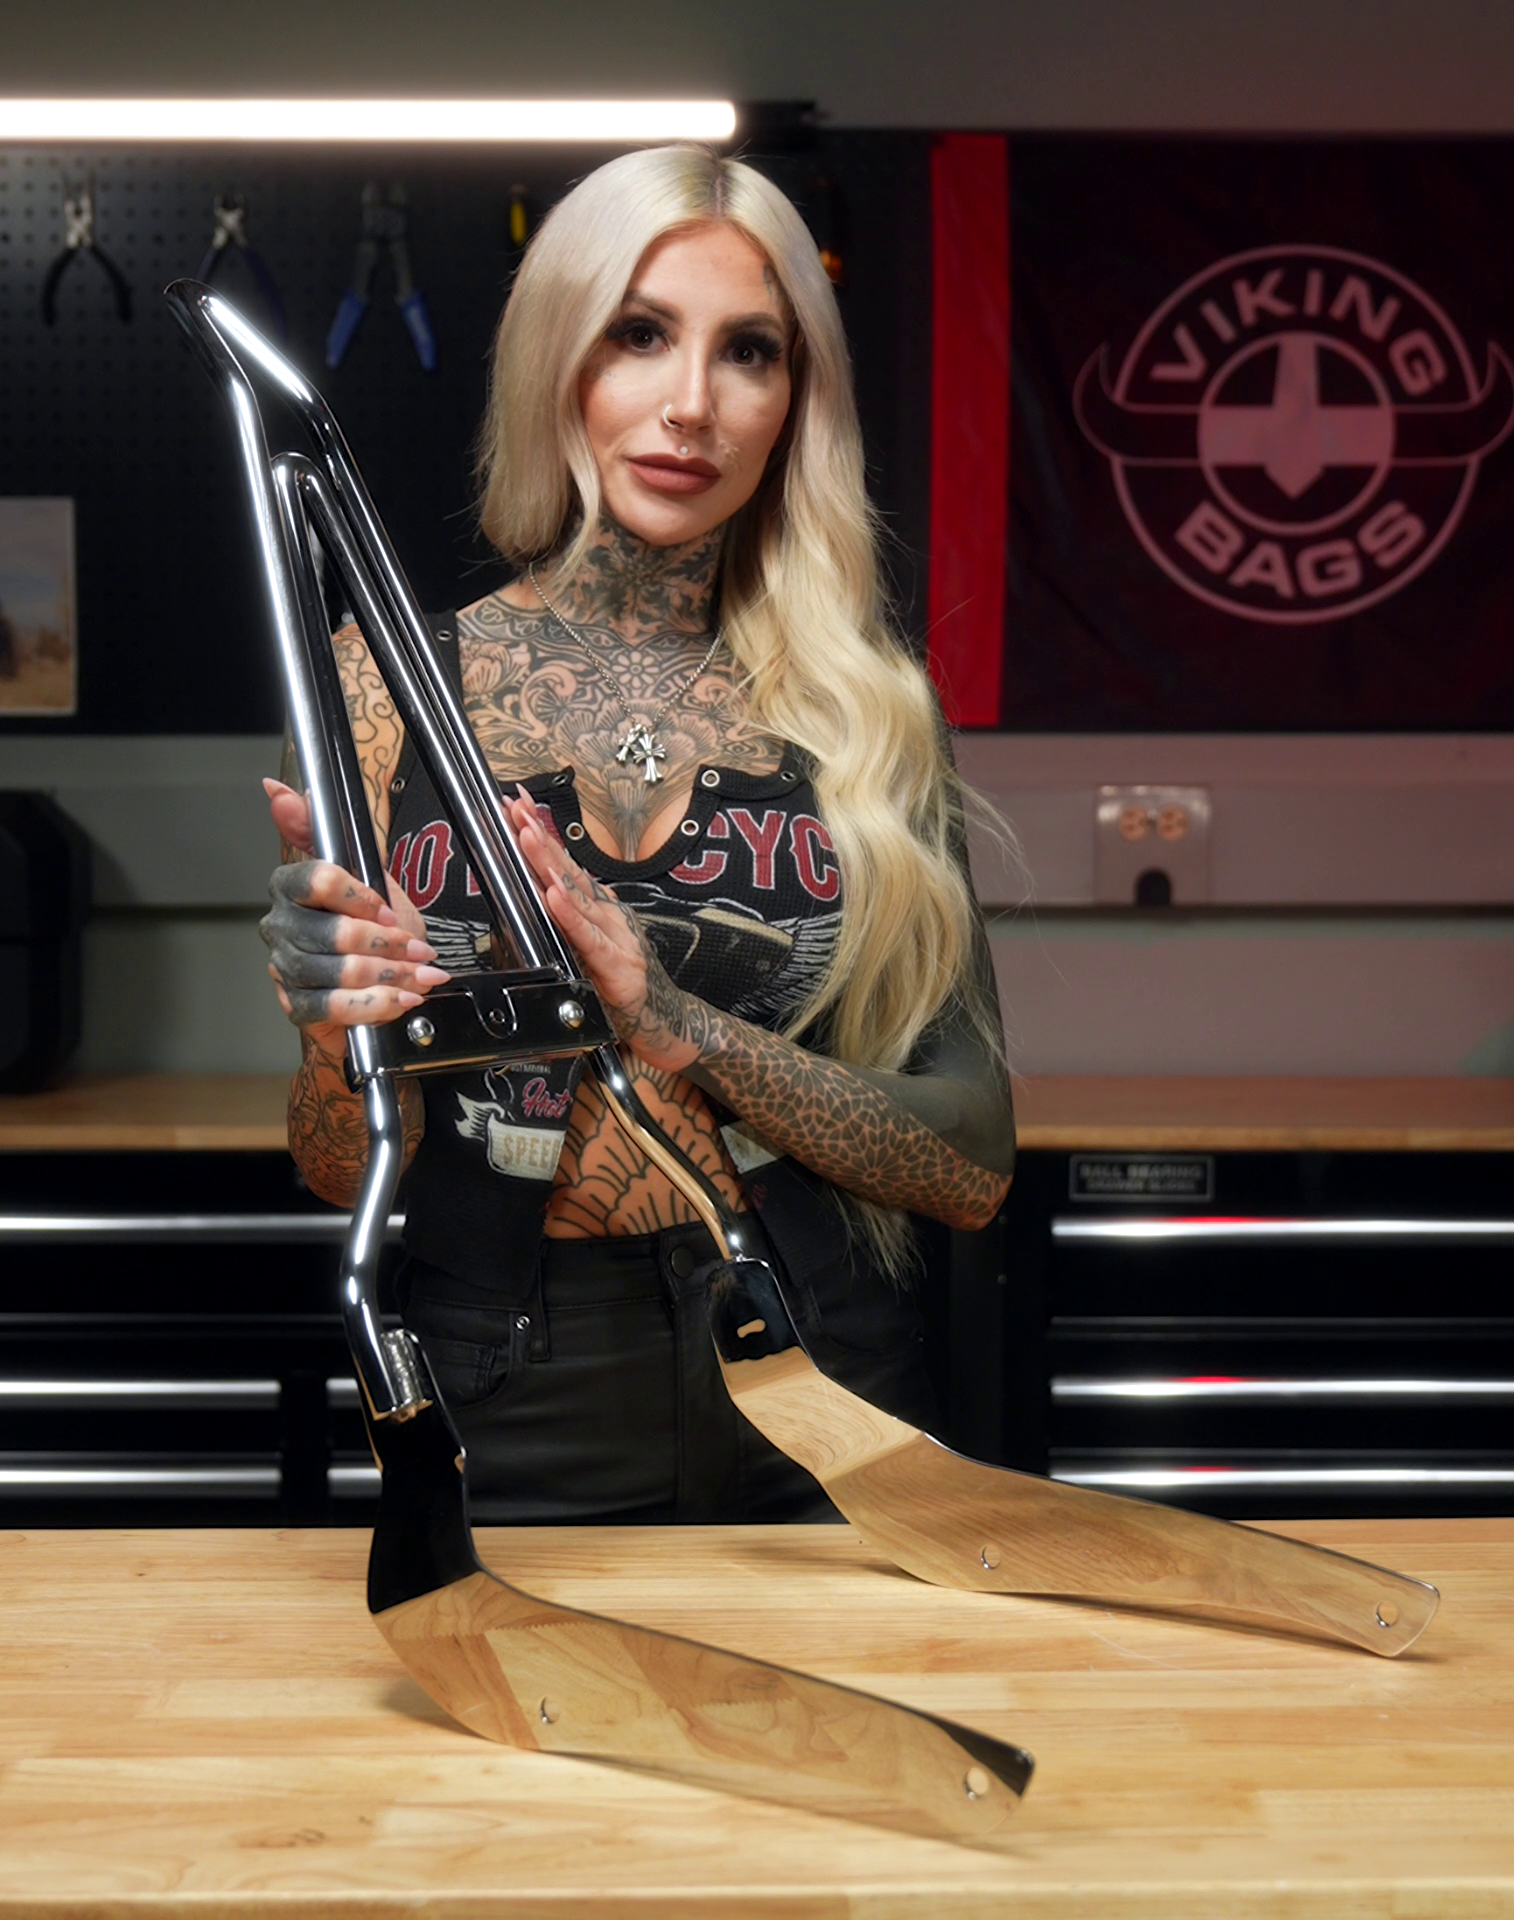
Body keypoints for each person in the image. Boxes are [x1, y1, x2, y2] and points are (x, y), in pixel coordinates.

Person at [260, 145, 1015, 1525]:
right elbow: (335, 1164)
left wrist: (675, 1023)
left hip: (828, 1363)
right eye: (641, 334)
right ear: (562, 361)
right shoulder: (389, 685)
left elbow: (969, 1164)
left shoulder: (870, 715)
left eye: (749, 352)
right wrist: (334, 1030)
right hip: (509, 1378)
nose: (691, 406)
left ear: (795, 403)